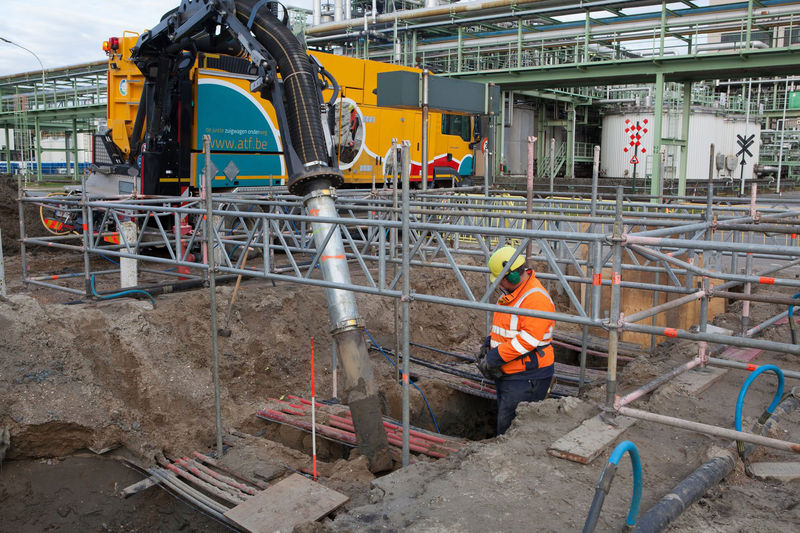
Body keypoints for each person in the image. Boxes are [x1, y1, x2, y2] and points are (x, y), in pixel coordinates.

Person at [477, 246, 556, 435]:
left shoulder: (535, 299)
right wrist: (489, 342)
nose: (498, 286)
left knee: (512, 431)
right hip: (511, 372)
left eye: (500, 280)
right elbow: (507, 326)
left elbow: (528, 340)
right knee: (505, 421)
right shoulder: (513, 294)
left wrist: (494, 357)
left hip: (528, 377)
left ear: (511, 276)